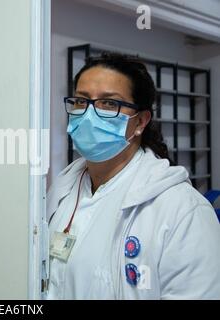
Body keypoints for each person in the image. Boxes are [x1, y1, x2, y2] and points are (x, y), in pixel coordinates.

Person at [45, 52, 220, 299]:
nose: (89, 114)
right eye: (82, 101)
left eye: (109, 104)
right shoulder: (61, 190)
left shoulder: (183, 211)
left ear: (140, 121)